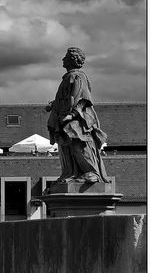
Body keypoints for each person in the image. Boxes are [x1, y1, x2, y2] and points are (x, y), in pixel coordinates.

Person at [45, 46, 109, 184]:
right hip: (65, 117)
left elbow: (82, 97)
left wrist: (72, 115)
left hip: (78, 119)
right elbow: (66, 97)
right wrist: (54, 104)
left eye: (66, 57)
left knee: (78, 144)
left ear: (72, 60)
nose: (63, 59)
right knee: (66, 147)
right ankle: (71, 172)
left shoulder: (77, 76)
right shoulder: (68, 77)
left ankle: (91, 172)